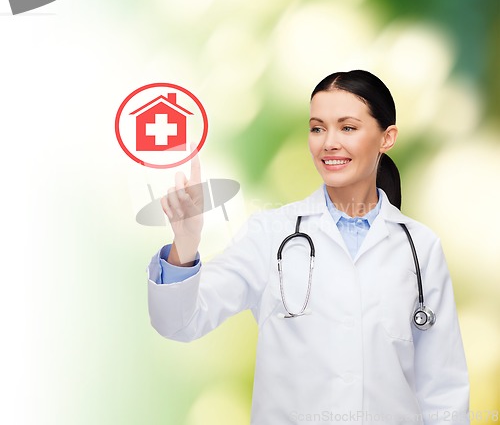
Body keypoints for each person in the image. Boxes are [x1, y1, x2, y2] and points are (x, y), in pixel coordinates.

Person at [147, 70, 470, 424]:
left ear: (386, 137)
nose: (329, 142)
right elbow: (180, 322)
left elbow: (443, 388)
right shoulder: (271, 234)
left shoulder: (420, 247)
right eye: (317, 128)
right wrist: (186, 244)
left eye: (348, 127)